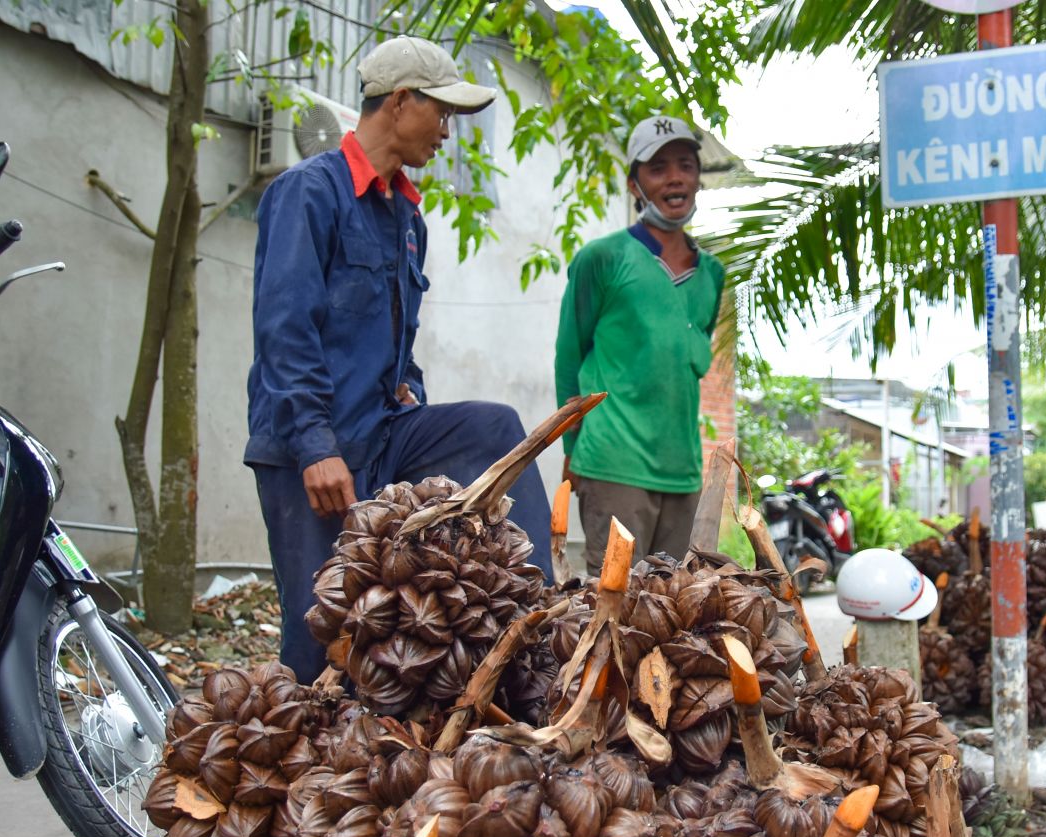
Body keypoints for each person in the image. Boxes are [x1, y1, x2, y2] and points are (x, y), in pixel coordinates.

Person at [248, 37, 553, 682]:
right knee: (320, 629)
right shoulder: (308, 192)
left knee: (494, 426)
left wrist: (408, 384)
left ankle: (544, 615)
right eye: (440, 113)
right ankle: (300, 763)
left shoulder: (406, 218)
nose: (447, 132)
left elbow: (394, 337)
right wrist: (314, 445)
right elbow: (285, 328)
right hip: (313, 450)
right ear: (400, 101)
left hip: (383, 433)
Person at [554, 114, 726, 575]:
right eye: (658, 168)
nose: (675, 178)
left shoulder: (712, 274)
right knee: (612, 610)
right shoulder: (603, 258)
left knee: (675, 613)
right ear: (635, 185)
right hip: (613, 465)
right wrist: (571, 444)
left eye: (686, 166)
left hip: (683, 470)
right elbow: (569, 357)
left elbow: (688, 355)